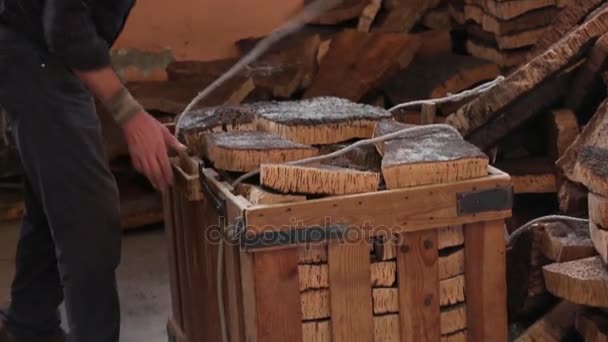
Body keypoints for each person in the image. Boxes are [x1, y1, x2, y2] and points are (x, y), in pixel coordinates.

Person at [0, 0, 186, 341]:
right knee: (90, 218)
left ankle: (29, 321)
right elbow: (65, 27)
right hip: (34, 48)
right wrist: (129, 114)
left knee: (57, 196)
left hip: (38, 44)